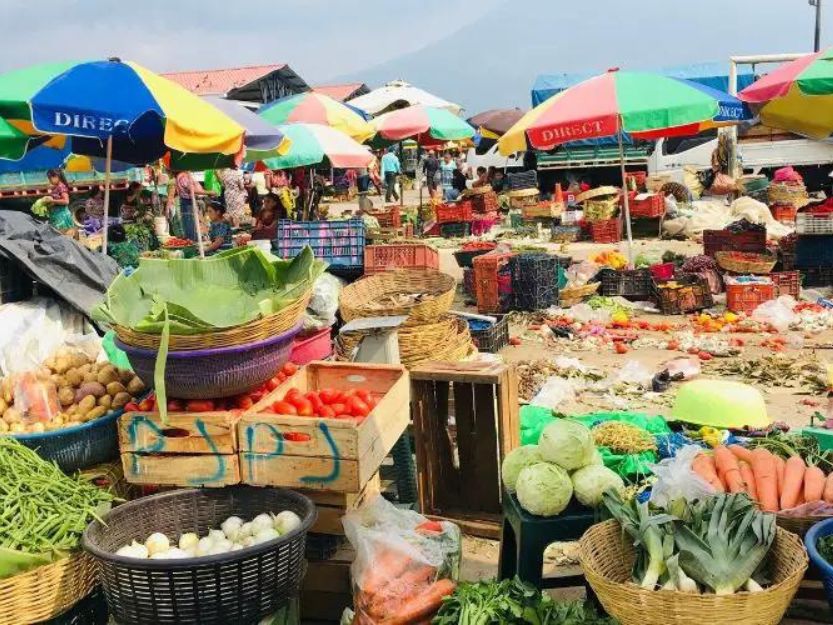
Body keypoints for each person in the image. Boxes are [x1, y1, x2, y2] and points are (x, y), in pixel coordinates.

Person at [169, 171, 213, 241]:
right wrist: (209, 192)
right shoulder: (183, 176)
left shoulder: (184, 175)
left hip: (188, 202)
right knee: (190, 226)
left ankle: (193, 240)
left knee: (192, 224)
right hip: (187, 203)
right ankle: (192, 242)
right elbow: (191, 190)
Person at [43, 169, 74, 233]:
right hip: (57, 216)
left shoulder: (61, 187)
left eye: (50, 178)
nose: (49, 180)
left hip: (62, 217)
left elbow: (66, 201)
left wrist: (52, 200)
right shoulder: (56, 187)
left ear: (56, 176)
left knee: (63, 237)